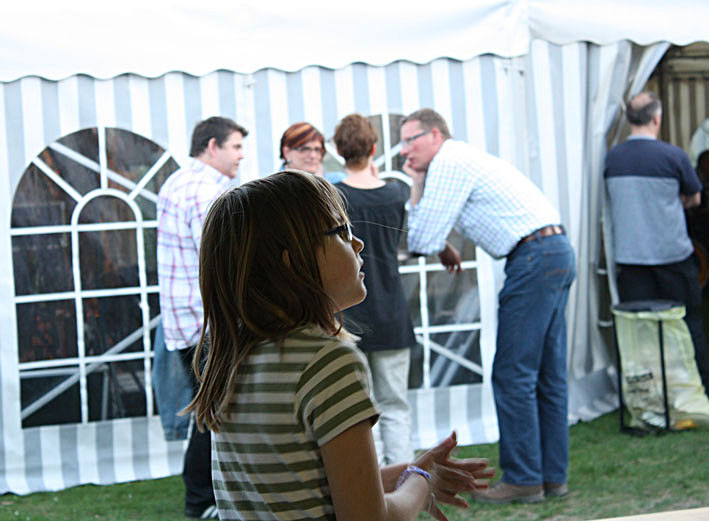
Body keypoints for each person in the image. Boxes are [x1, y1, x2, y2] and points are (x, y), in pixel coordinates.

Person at [184, 170, 494, 521]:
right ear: (291, 263)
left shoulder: (236, 357)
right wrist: (421, 483)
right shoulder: (326, 361)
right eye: (342, 232)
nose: (358, 244)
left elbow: (304, 485)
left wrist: (411, 473)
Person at [401, 108, 576, 504]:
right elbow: (430, 237)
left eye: (410, 140)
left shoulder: (447, 162)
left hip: (534, 259)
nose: (404, 151)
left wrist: (417, 185)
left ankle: (525, 479)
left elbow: (421, 238)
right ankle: (551, 477)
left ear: (435, 135)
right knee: (547, 375)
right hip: (553, 251)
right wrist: (440, 238)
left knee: (513, 374)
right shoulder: (461, 158)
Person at [157, 116, 248, 519]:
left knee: (210, 409)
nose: (241, 156)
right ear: (212, 146)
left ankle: (206, 497)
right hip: (205, 320)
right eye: (235, 146)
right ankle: (201, 499)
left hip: (188, 319)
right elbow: (222, 258)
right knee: (217, 412)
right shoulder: (203, 190)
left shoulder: (178, 182)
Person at [605, 91, 709, 396]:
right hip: (672, 255)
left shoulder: (612, 158)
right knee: (688, 323)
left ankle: (649, 394)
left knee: (641, 331)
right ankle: (698, 389)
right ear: (657, 119)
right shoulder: (673, 156)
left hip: (631, 259)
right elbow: (695, 198)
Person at [332, 113, 416, 465]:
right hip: (391, 310)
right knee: (395, 405)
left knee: (358, 411)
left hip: (349, 313)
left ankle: (372, 487)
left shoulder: (335, 196)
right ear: (374, 148)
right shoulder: (395, 194)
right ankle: (405, 482)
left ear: (339, 150)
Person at [279, 121, 346, 183]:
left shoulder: (340, 182)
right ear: (286, 152)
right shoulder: (274, 187)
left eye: (317, 149)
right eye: (305, 149)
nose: (313, 155)